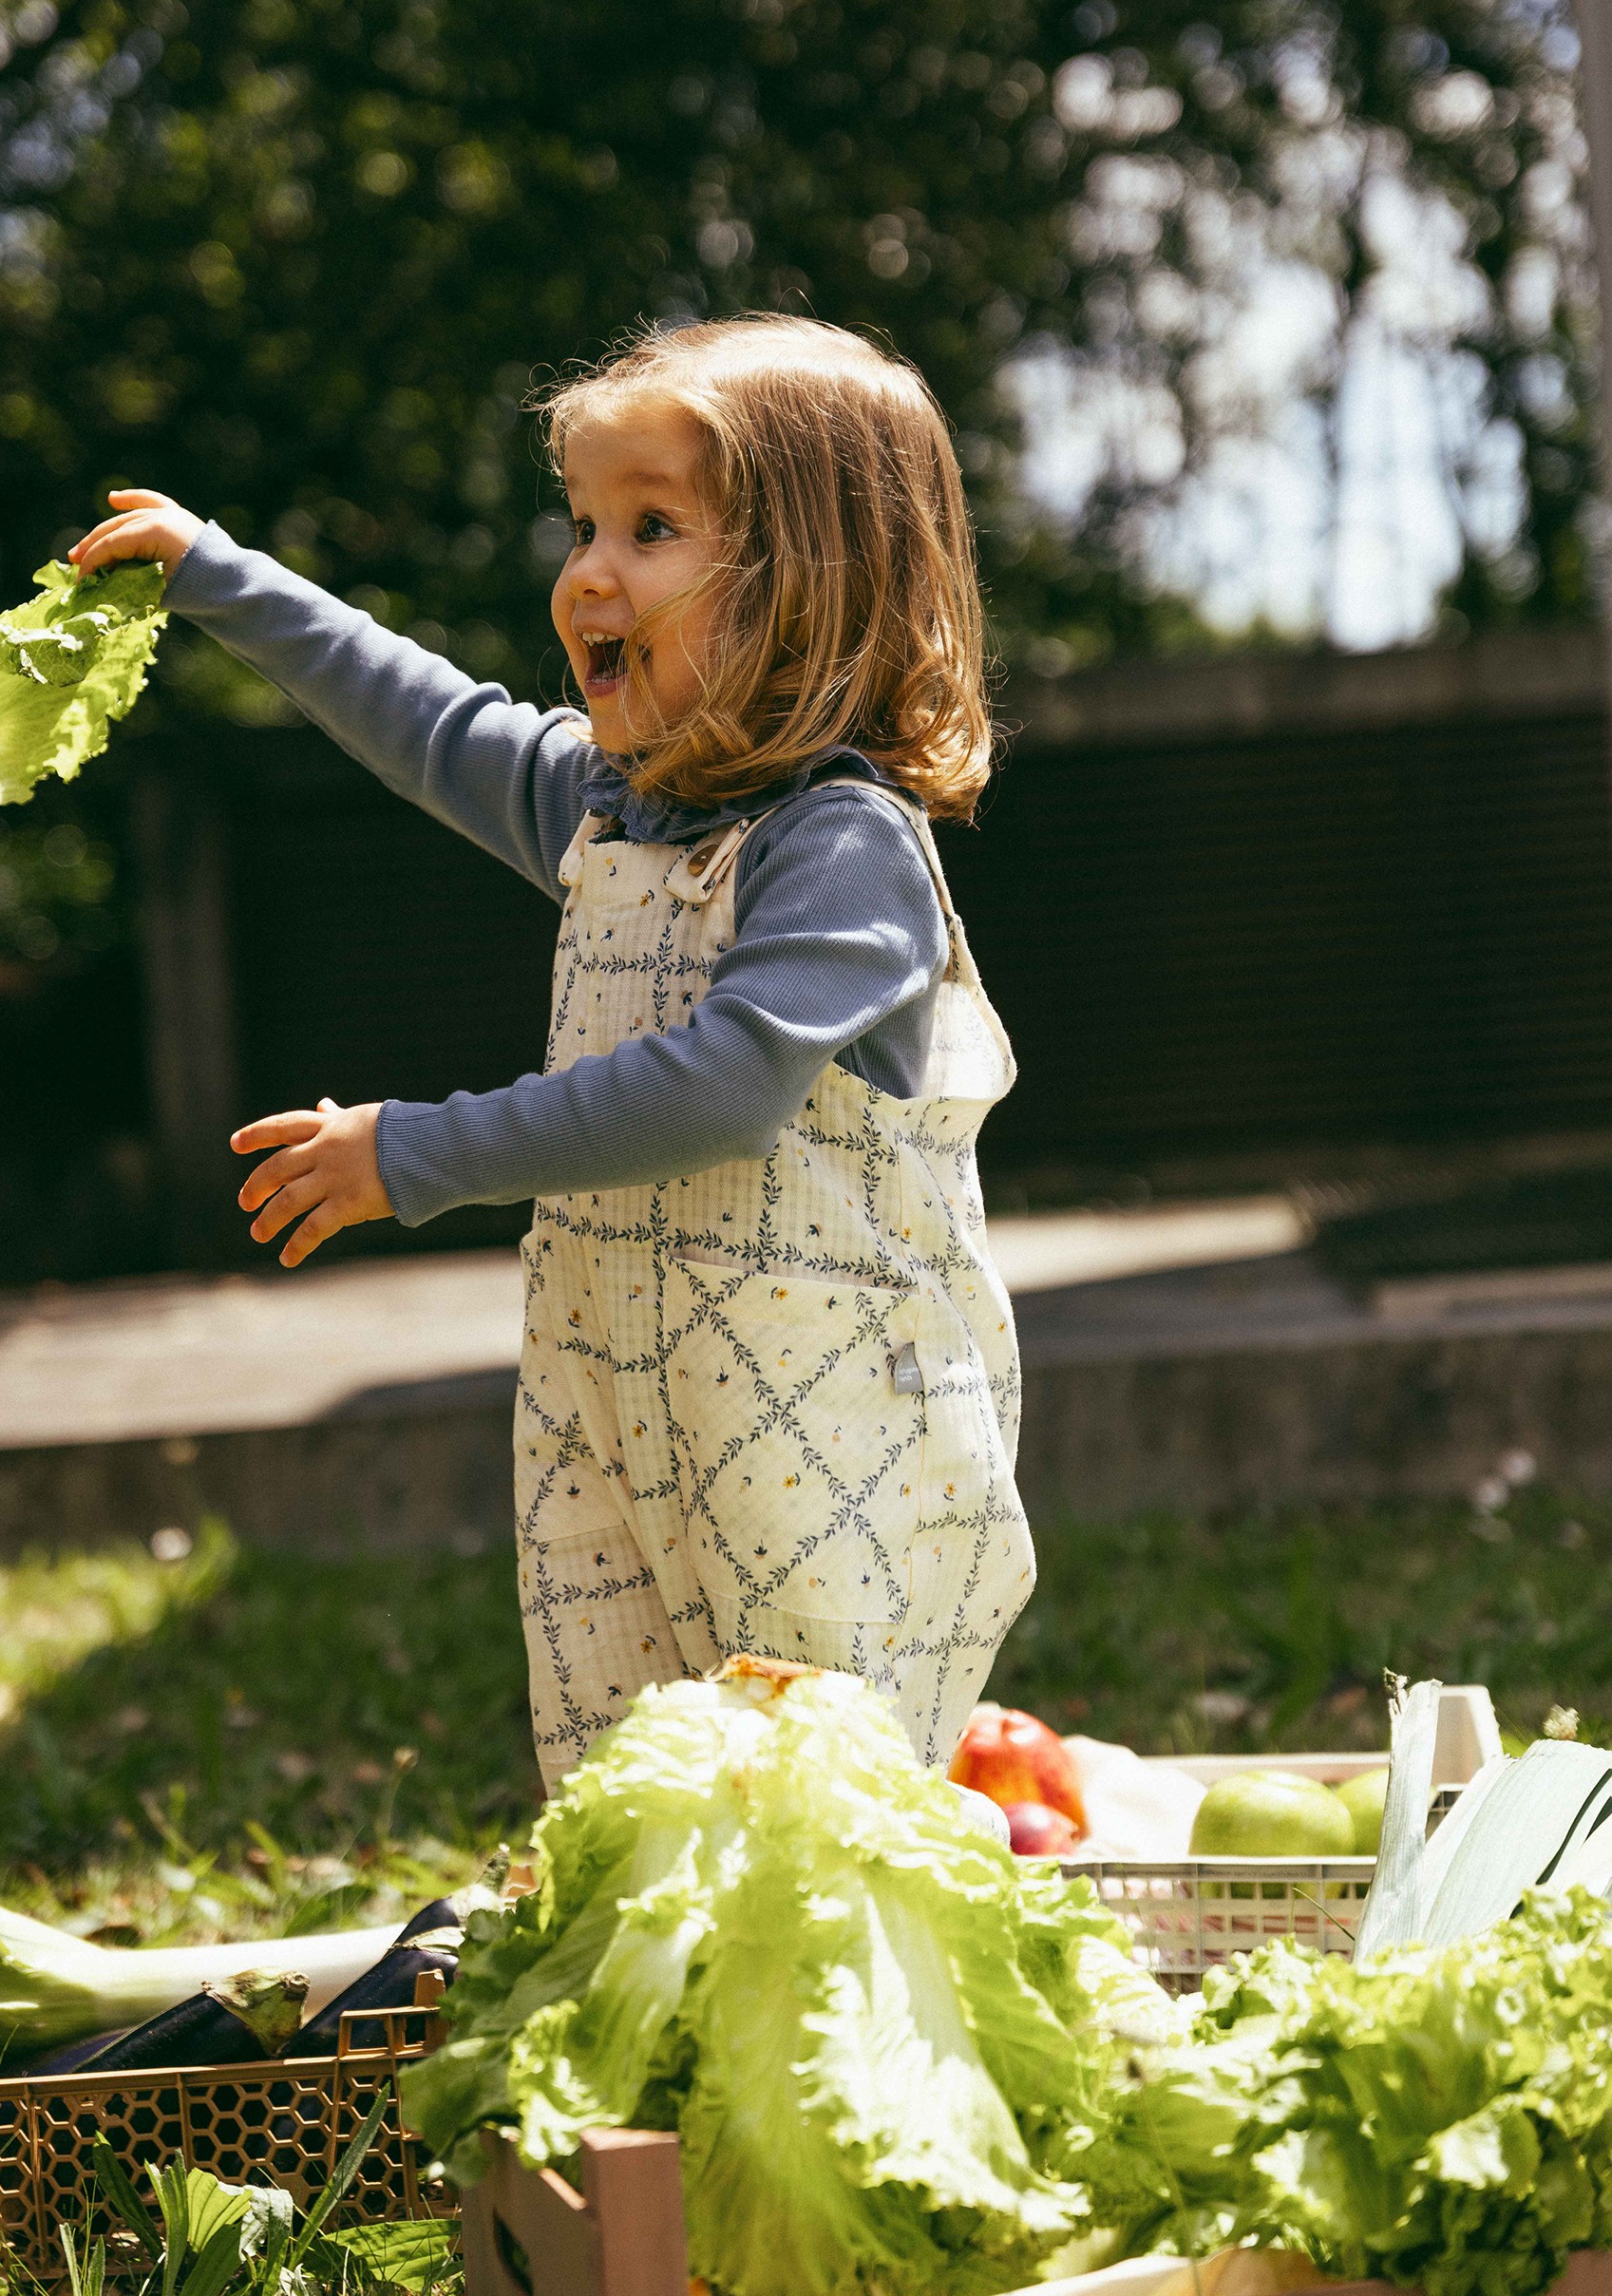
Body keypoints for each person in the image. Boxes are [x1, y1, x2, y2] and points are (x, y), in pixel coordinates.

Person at [70, 313, 1034, 1789]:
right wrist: (221, 578)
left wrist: (417, 1153)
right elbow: (424, 717)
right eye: (585, 523)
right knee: (629, 1783)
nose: (588, 569)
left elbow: (724, 1085)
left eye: (653, 528)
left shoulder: (841, 847)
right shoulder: (611, 809)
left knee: (813, 1803)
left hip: (827, 1435)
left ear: (809, 592)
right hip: (612, 1408)